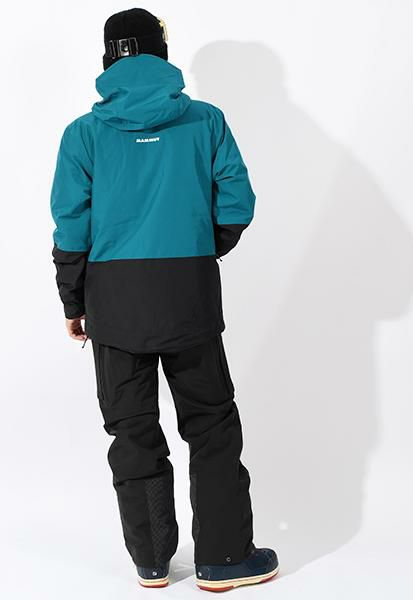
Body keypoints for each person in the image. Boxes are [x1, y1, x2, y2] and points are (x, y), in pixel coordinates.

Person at [49, 8, 279, 592]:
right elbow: (238, 200)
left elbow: (71, 225)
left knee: (131, 429)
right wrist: (200, 250)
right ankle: (223, 559)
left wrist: (73, 301)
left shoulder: (83, 135)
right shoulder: (205, 121)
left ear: (109, 59)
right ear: (163, 53)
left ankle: (152, 561)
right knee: (211, 424)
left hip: (113, 302)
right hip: (188, 296)